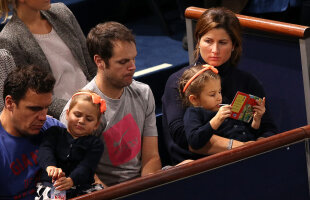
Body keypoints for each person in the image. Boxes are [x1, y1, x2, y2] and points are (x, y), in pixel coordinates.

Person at [161, 7, 278, 165]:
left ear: (234, 45)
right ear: (198, 40)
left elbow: (268, 128)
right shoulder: (179, 81)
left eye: (222, 42)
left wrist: (257, 148)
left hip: (247, 161)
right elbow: (184, 137)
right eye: (208, 41)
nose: (215, 50)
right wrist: (241, 147)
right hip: (195, 166)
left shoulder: (247, 81)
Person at [60, 22, 162, 186]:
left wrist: (145, 190)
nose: (133, 67)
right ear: (99, 61)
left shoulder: (144, 93)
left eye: (133, 59)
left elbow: (151, 157)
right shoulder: (79, 112)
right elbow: (84, 174)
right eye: (123, 62)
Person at [0, 0, 97, 119]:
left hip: (95, 97)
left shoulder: (62, 12)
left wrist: (103, 94)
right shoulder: (10, 38)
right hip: (69, 114)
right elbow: (34, 95)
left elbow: (90, 65)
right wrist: (76, 110)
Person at [0, 65, 64, 200]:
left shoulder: (52, 128)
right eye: (34, 109)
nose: (43, 116)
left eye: (46, 107)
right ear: (10, 103)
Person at [179, 64, 266, 154]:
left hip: (250, 151)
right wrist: (217, 119)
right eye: (212, 94)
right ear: (194, 99)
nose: (219, 97)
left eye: (219, 91)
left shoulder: (224, 105)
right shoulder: (193, 112)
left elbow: (247, 134)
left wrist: (256, 120)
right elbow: (194, 141)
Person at [36, 90, 105, 199]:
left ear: (96, 124)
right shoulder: (54, 132)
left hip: (82, 186)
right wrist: (50, 166)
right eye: (77, 115)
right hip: (54, 185)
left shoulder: (95, 144)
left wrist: (72, 180)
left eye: (89, 119)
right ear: (67, 114)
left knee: (101, 193)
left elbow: (87, 165)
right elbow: (45, 150)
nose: (81, 121)